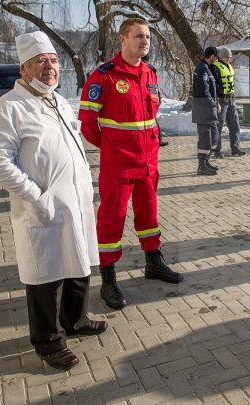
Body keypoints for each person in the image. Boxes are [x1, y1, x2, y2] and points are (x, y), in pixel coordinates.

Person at [0, 31, 107, 371]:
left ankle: (75, 321)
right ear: (24, 69)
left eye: (53, 61)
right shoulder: (7, 108)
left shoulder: (58, 101)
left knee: (78, 263)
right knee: (47, 275)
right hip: (41, 206)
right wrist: (35, 196)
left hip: (74, 201)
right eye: (41, 61)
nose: (50, 67)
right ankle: (48, 341)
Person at [79, 18, 183, 311]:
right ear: (123, 39)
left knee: (149, 214)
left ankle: (153, 262)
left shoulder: (150, 73)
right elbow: (88, 125)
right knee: (112, 219)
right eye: (138, 36)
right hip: (119, 165)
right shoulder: (104, 76)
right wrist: (113, 149)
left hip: (148, 161)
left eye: (147, 36)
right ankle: (109, 279)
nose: (144, 41)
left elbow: (150, 117)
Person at [191, 46, 221, 175]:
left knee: (213, 136)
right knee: (205, 137)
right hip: (203, 109)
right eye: (216, 56)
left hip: (209, 109)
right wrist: (213, 104)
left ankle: (206, 161)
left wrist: (216, 103)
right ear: (211, 56)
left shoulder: (207, 68)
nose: (217, 59)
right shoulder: (202, 68)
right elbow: (203, 91)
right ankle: (201, 166)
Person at [212, 47, 246, 158]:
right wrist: (215, 101)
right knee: (219, 126)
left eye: (230, 57)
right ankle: (217, 150)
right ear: (222, 56)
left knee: (235, 124)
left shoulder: (230, 67)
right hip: (221, 100)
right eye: (227, 57)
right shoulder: (216, 67)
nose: (229, 59)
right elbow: (214, 86)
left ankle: (235, 148)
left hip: (231, 99)